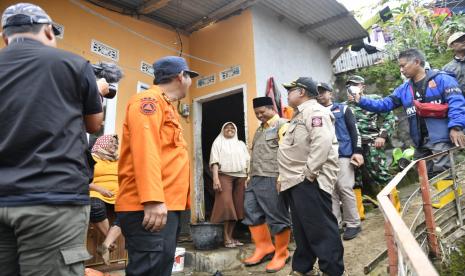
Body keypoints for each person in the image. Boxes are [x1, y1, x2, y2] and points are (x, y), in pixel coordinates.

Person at [0, 3, 106, 276]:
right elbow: (93, 124)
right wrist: (97, 91)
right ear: (48, 31)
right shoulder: (72, 64)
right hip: (54, 199)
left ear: (4, 37)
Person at [115, 56, 197, 276]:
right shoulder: (147, 101)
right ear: (181, 76)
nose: (191, 83)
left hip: (165, 206)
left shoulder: (167, 107)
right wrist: (153, 199)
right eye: (190, 77)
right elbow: (145, 148)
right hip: (150, 207)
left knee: (160, 269)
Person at [348, 49, 465, 179]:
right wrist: (361, 100)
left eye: (403, 65)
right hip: (420, 141)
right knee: (426, 175)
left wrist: (456, 127)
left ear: (416, 62)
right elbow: (384, 104)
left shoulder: (443, 79)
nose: (401, 70)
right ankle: (437, 199)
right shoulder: (404, 89)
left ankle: (451, 199)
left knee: (444, 173)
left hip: (441, 137)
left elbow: (457, 104)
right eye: (400, 67)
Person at [278, 77, 344, 276]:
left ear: (301, 92)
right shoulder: (299, 115)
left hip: (308, 179)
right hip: (295, 180)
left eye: (290, 90)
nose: (287, 94)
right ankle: (303, 268)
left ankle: (333, 271)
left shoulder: (315, 112)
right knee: (302, 229)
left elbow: (321, 143)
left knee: (320, 228)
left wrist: (309, 173)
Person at [242, 97, 292, 273]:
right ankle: (264, 248)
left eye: (262, 112)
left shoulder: (283, 124)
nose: (259, 115)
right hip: (254, 178)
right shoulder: (259, 130)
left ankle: (281, 253)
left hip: (272, 176)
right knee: (250, 211)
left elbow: (287, 152)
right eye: (256, 113)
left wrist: (282, 177)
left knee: (276, 214)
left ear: (272, 108)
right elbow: (256, 154)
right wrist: (249, 174)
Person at [317, 83, 364, 240]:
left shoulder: (343, 109)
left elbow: (354, 131)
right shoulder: (315, 113)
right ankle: (335, 224)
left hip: (343, 153)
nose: (320, 95)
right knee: (330, 191)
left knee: (344, 187)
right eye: (318, 93)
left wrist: (357, 152)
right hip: (324, 157)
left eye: (323, 92)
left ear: (330, 93)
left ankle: (353, 224)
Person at [345, 75, 396, 218]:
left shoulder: (372, 99)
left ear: (362, 87)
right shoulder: (344, 106)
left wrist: (382, 135)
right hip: (353, 148)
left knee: (381, 175)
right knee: (354, 180)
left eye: (355, 85)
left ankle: (395, 207)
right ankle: (359, 215)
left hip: (372, 143)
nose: (352, 88)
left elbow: (390, 117)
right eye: (349, 85)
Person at [209, 122, 250, 248]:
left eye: (232, 128)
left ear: (236, 130)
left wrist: (248, 177)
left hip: (241, 177)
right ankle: (226, 238)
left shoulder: (241, 144)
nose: (230, 129)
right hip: (224, 176)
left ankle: (230, 236)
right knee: (226, 205)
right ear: (223, 130)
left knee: (237, 207)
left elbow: (248, 160)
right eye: (227, 128)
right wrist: (215, 178)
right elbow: (214, 161)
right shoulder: (218, 142)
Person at [89, 134, 122, 266]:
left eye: (116, 143)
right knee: (95, 206)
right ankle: (110, 242)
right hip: (96, 193)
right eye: (111, 142)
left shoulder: (119, 160)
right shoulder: (92, 158)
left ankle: (105, 245)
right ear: (101, 143)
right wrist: (100, 189)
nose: (114, 145)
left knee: (131, 212)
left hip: (119, 195)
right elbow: (81, 179)